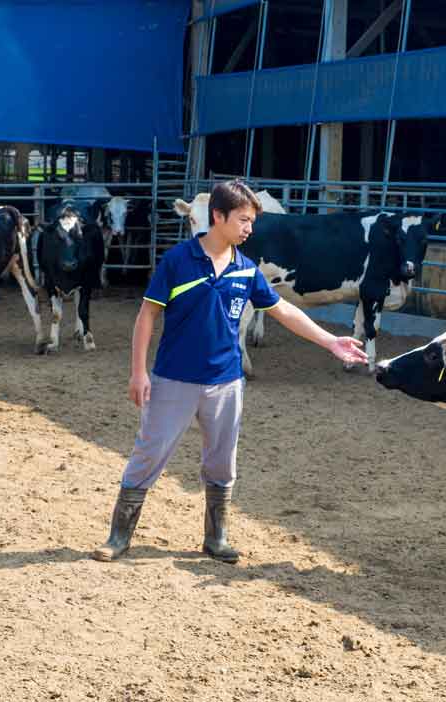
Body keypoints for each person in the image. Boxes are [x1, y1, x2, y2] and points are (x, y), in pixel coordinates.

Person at [92, 179, 368, 563]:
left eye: (252, 221)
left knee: (222, 462)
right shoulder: (178, 260)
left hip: (226, 383)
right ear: (217, 217)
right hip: (174, 379)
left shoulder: (246, 268)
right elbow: (146, 316)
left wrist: (330, 342)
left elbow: (282, 311)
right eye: (243, 220)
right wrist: (138, 373)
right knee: (149, 453)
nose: (250, 228)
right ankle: (118, 536)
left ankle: (216, 537)